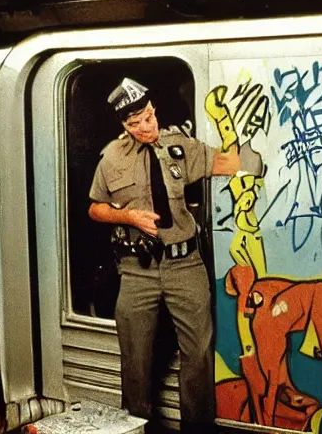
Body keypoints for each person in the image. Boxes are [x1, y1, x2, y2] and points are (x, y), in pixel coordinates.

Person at [87, 78, 242, 434]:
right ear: (122, 125)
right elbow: (95, 208)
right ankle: (136, 428)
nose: (144, 127)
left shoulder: (180, 147)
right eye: (134, 123)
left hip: (185, 264)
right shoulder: (111, 157)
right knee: (136, 361)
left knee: (198, 354)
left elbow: (226, 164)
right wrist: (128, 216)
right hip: (137, 271)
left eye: (147, 117)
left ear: (154, 109)